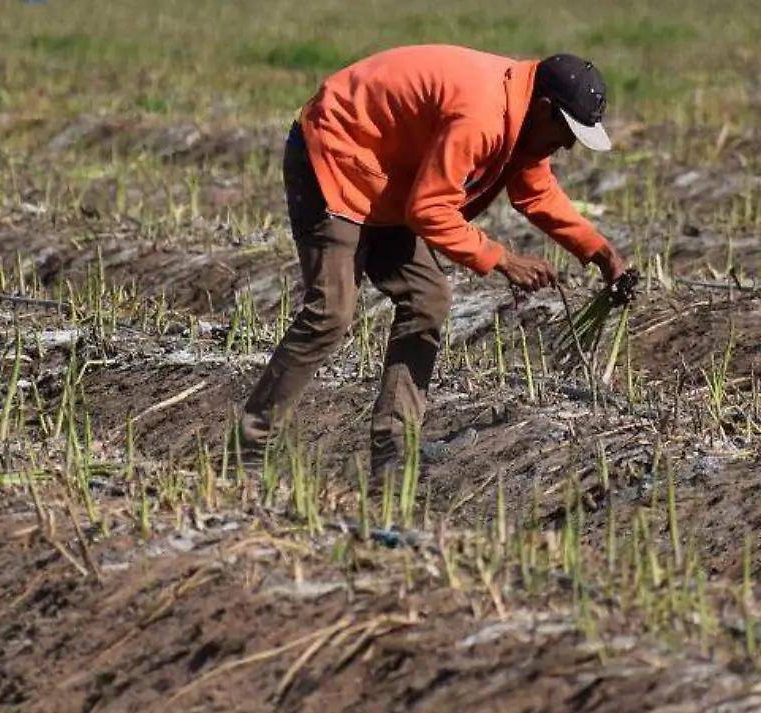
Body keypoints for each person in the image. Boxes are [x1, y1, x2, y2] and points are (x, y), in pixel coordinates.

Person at [240, 45, 628, 476]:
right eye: (568, 133)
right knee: (331, 312)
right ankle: (251, 450)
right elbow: (428, 211)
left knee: (428, 298)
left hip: (388, 175)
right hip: (334, 154)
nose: (568, 147)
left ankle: (392, 451)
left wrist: (600, 251)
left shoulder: (523, 117)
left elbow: (535, 192)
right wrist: (502, 260)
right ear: (543, 109)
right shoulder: (481, 115)